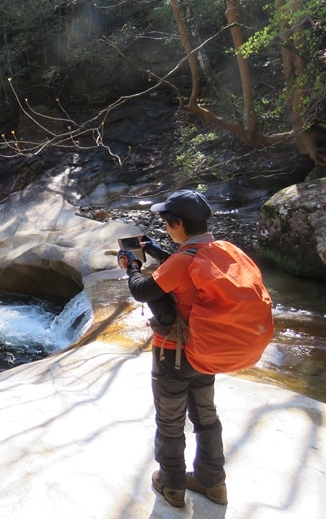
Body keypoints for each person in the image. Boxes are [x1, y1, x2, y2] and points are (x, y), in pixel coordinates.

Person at [117, 190, 228, 508]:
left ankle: (172, 484)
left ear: (177, 224)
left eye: (167, 223)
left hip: (174, 354)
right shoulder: (218, 251)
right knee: (206, 416)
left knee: (170, 421)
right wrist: (156, 250)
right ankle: (213, 483)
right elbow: (187, 267)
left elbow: (142, 290)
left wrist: (133, 266)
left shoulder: (180, 261)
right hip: (207, 352)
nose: (166, 228)